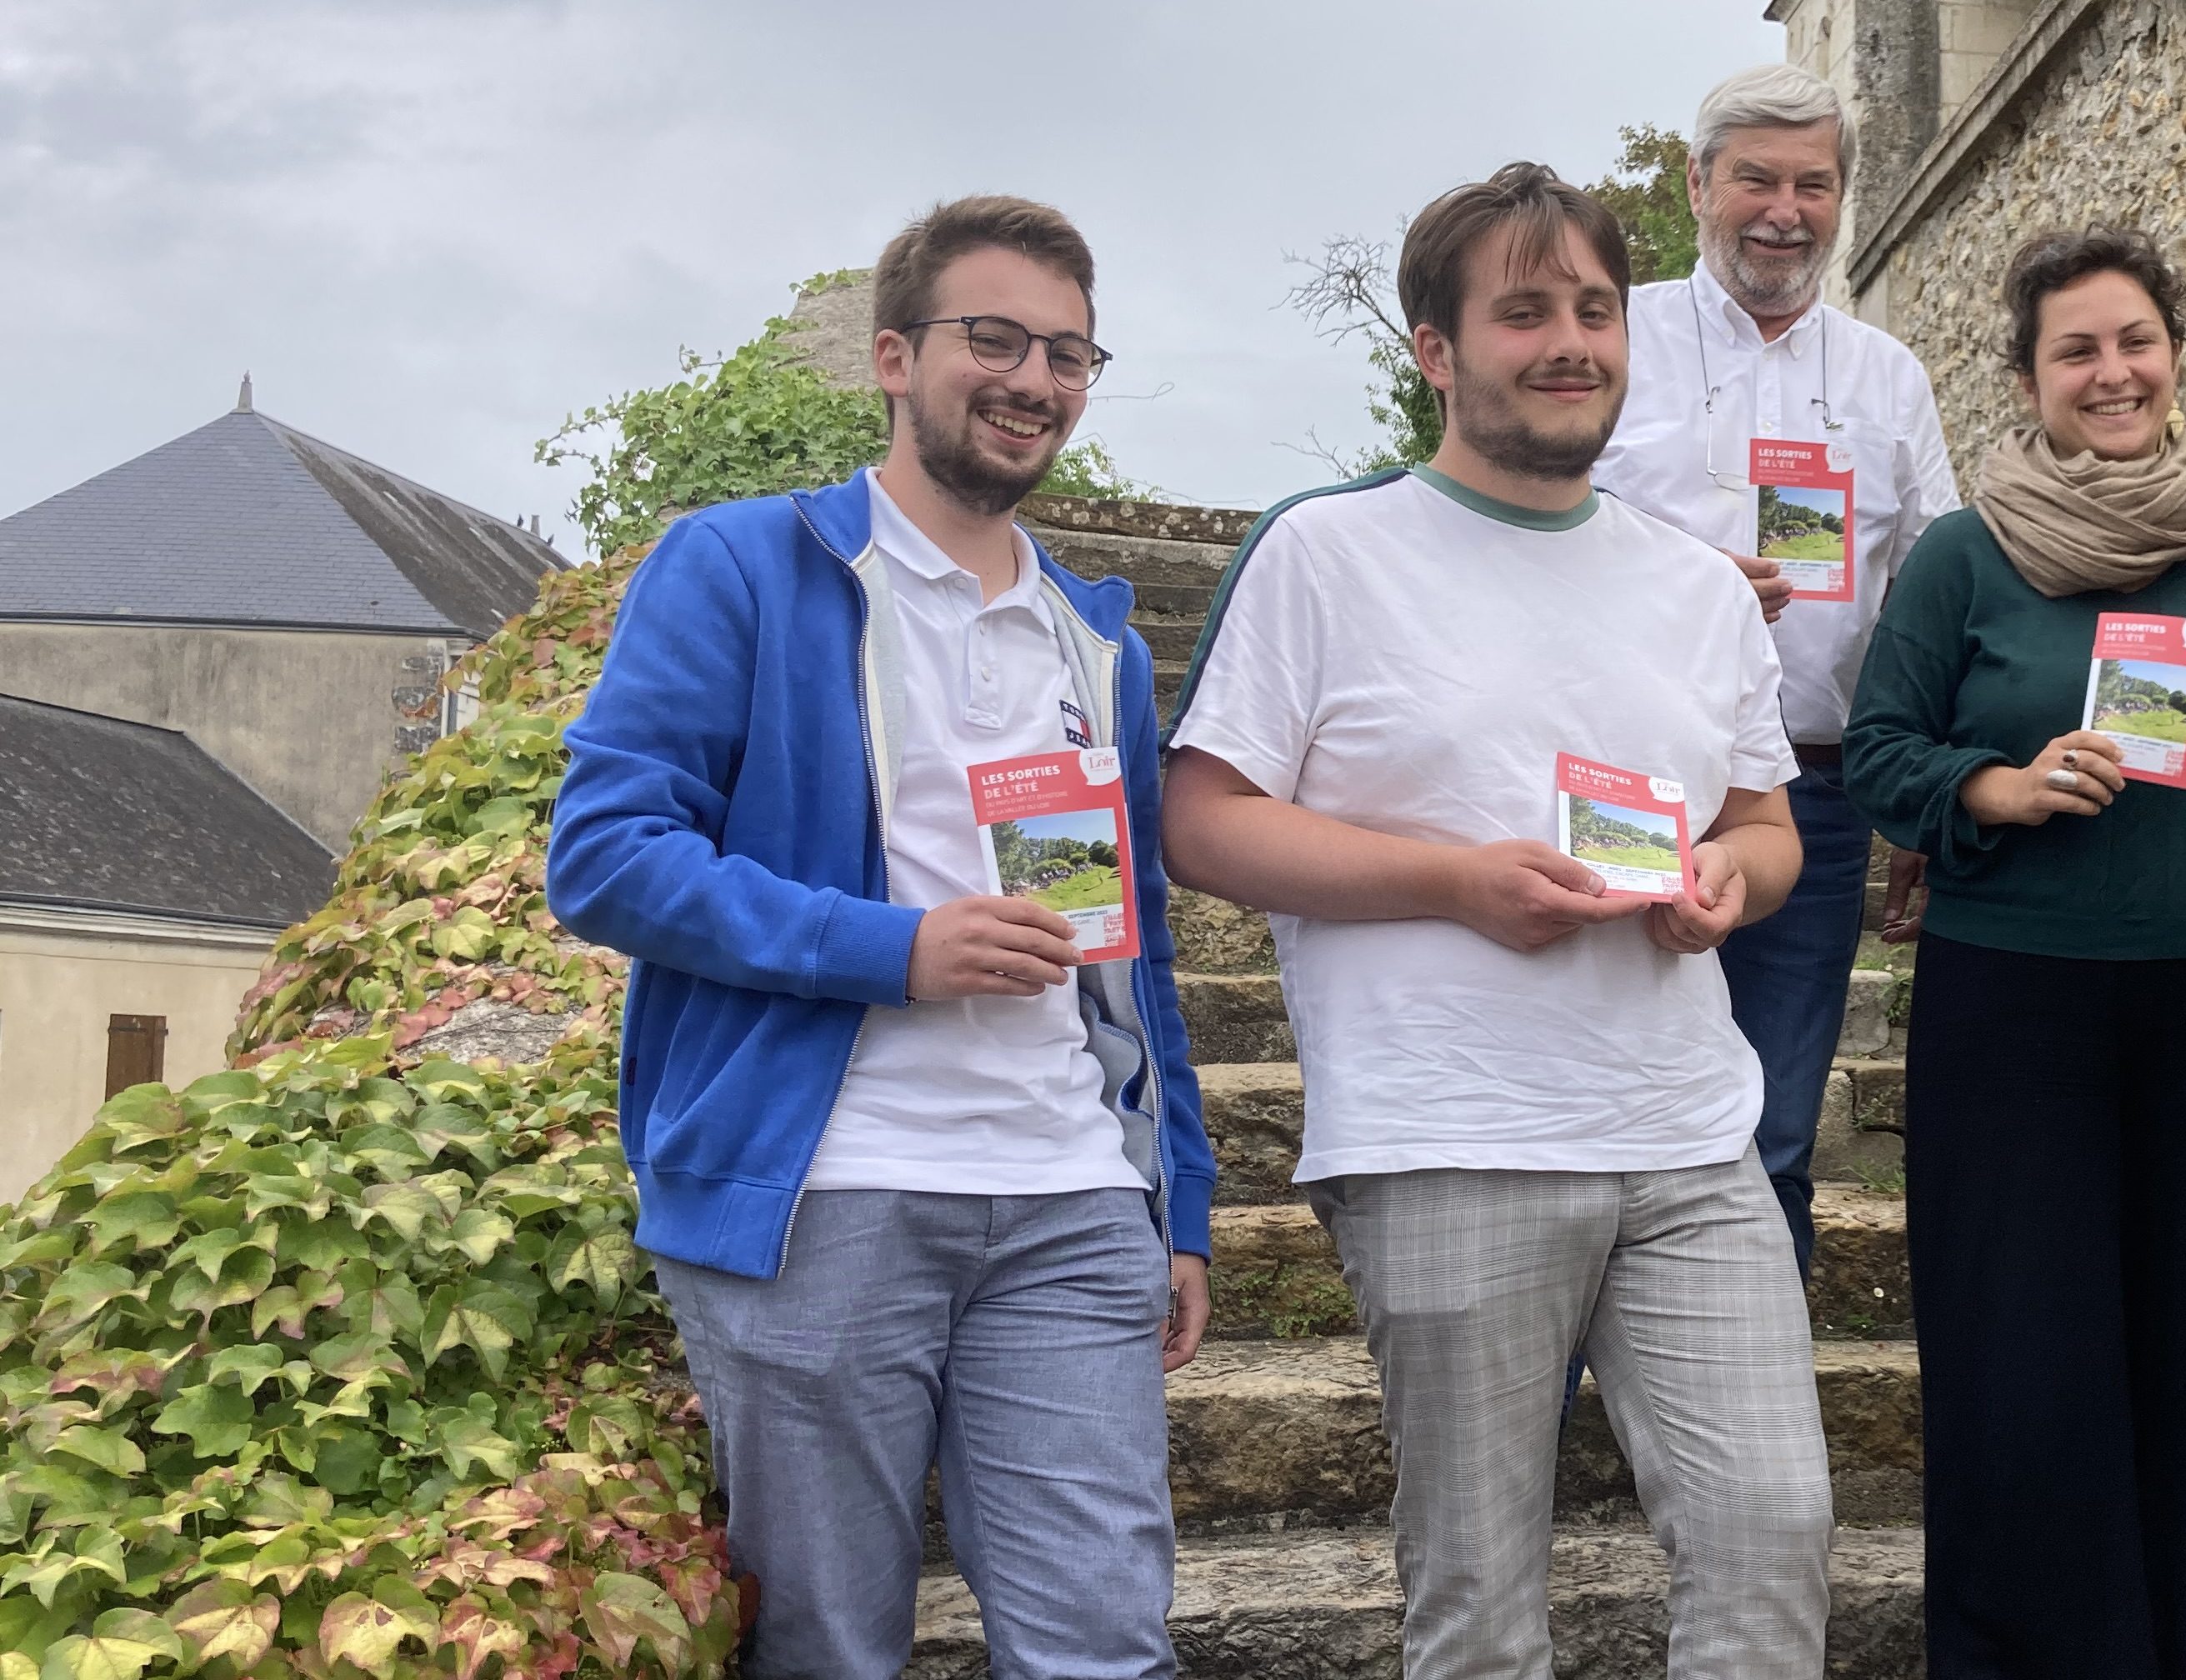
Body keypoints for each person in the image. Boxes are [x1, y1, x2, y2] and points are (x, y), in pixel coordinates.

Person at [1161, 162, 1834, 1678]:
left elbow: (1766, 825)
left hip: (1687, 1135)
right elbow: (1202, 822)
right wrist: (1456, 880)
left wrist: (1731, 882)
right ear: (1437, 350)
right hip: (1448, 1133)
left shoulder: (1700, 587)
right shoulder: (1327, 553)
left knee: (1776, 1530)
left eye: (1595, 309)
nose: (1570, 343)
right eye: (1524, 312)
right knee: (1477, 1602)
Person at [547, 197, 1213, 1680]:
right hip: (823, 1199)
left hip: (1068, 1195)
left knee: (1105, 1646)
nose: (1034, 379)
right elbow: (604, 858)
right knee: (830, 1649)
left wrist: (1173, 1200)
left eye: (1068, 354)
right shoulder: (740, 567)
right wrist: (892, 950)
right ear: (896, 357)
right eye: (996, 339)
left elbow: (1136, 954)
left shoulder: (1098, 643)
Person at [1842, 226, 2186, 1679]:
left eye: (2136, 341)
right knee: (2022, 1364)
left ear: (2174, 358)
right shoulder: (1964, 556)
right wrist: (1992, 788)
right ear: (2028, 382)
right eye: (2077, 351)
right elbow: (1878, 752)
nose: (2112, 372)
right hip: (2012, 1009)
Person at [1596, 62, 1963, 1272]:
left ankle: (1750, 1376)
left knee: (1775, 1121)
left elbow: (1929, 594)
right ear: (1698, 185)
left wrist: (1923, 791)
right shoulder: (1613, 336)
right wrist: (1680, 583)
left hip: (1815, 791)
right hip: (1621, 776)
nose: (1784, 211)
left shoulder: (1888, 377)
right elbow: (1534, 529)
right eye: (1757, 179)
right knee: (1600, 1111)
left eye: (1814, 185)